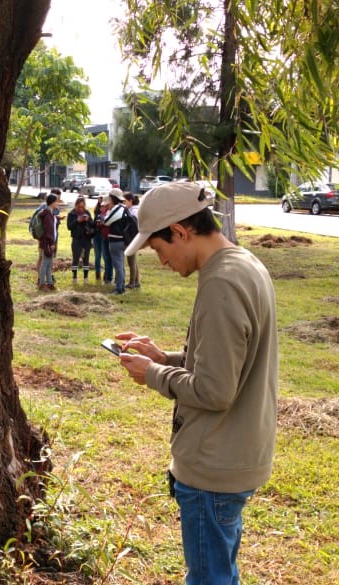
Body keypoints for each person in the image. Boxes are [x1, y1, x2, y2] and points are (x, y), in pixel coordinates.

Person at [112, 181, 277, 585]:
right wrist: (163, 357)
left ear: (181, 231)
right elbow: (225, 363)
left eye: (158, 249)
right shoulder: (243, 263)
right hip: (234, 454)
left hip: (213, 466)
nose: (162, 261)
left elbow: (215, 391)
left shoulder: (220, 283)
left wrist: (152, 375)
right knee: (221, 572)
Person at [101, 189, 130, 295]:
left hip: (116, 240)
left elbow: (106, 222)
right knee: (120, 265)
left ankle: (119, 288)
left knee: (118, 265)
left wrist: (106, 214)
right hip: (122, 240)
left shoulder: (118, 208)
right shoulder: (124, 208)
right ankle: (121, 286)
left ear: (113, 198)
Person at [66, 196, 95, 282]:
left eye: (83, 207)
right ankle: (74, 277)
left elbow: (92, 225)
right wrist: (77, 221)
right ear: (75, 206)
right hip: (76, 239)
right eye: (79, 207)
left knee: (86, 259)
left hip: (86, 239)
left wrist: (88, 219)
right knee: (75, 258)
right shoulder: (71, 214)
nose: (81, 209)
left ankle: (85, 277)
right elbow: (69, 227)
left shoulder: (87, 212)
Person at [37, 193, 61, 291]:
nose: (58, 203)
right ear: (51, 202)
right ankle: (42, 284)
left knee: (49, 263)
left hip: (49, 241)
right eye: (56, 201)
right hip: (47, 242)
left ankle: (50, 283)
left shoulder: (50, 213)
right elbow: (48, 230)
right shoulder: (47, 214)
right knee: (45, 263)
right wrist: (51, 243)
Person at [123, 192, 141, 289]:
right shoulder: (133, 209)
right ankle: (137, 281)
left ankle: (132, 283)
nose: (124, 203)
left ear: (130, 201)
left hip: (132, 238)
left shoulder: (133, 211)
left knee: (131, 261)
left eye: (125, 201)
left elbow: (133, 226)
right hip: (134, 237)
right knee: (133, 260)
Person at [92, 198, 112, 284]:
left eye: (104, 206)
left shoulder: (109, 214)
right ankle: (98, 274)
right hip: (97, 236)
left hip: (104, 237)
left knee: (106, 257)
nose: (102, 207)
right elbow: (94, 224)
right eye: (101, 206)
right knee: (97, 256)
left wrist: (101, 224)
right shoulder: (98, 213)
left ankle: (107, 276)